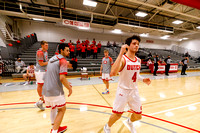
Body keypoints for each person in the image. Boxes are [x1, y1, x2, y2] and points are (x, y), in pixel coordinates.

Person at [103, 35, 151, 133]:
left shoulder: (138, 60)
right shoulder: (123, 59)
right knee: (117, 115)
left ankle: (129, 121)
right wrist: (120, 53)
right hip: (123, 91)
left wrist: (142, 79)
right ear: (128, 46)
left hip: (134, 91)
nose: (136, 45)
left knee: (138, 115)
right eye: (134, 43)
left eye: (138, 44)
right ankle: (107, 127)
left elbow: (136, 75)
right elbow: (112, 73)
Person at [42, 43, 72, 133]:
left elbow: (51, 75)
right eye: (67, 50)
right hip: (55, 90)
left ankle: (55, 127)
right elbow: (62, 78)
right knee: (62, 109)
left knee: (53, 107)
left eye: (69, 50)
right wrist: (69, 88)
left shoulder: (52, 59)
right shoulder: (62, 61)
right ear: (61, 50)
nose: (69, 52)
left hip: (46, 89)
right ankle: (54, 131)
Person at [35, 41, 48, 111]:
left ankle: (41, 101)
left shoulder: (46, 51)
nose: (47, 46)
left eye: (47, 45)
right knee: (40, 85)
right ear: (42, 45)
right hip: (39, 71)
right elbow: (42, 64)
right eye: (46, 45)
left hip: (44, 70)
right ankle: (41, 99)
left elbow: (45, 61)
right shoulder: (40, 52)